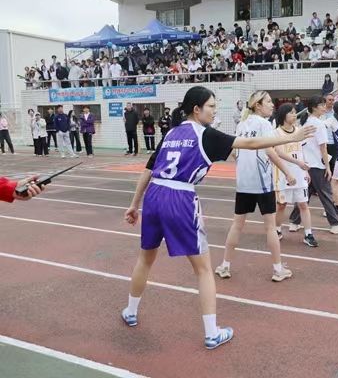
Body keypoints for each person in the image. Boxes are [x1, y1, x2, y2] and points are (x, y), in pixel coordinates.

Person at [121, 86, 314, 349]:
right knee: (203, 269)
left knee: (145, 258)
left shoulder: (171, 133)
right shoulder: (205, 134)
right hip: (180, 197)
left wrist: (135, 204)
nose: (214, 111)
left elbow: (148, 170)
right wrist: (290, 137)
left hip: (154, 195)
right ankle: (212, 333)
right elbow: (250, 144)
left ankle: (131, 311)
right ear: (196, 109)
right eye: (211, 106)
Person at [215, 91, 301, 282]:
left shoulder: (242, 125)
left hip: (243, 183)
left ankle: (225, 265)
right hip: (262, 183)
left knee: (237, 225)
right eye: (268, 102)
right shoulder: (264, 124)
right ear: (258, 105)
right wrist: (288, 172)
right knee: (270, 228)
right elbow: (270, 151)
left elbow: (234, 153)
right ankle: (278, 269)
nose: (272, 105)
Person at [289, 95, 338, 234]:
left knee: (305, 195)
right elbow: (323, 147)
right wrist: (327, 167)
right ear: (314, 107)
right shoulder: (319, 124)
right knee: (326, 194)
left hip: (306, 164)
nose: (324, 107)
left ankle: (294, 222)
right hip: (316, 164)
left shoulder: (306, 122)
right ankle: (335, 224)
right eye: (321, 105)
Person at [272, 103, 319, 247]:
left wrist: (305, 170)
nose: (294, 115)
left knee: (303, 204)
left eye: (294, 112)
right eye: (291, 113)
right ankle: (277, 229)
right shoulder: (276, 133)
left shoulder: (298, 131)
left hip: (299, 173)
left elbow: (301, 151)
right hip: (282, 173)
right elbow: (279, 153)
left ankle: (308, 234)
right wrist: (298, 163)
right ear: (283, 115)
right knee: (282, 205)